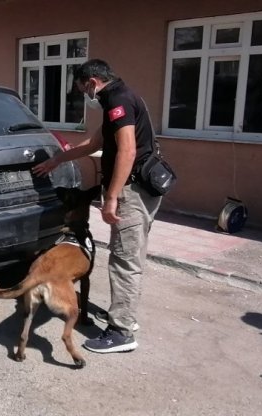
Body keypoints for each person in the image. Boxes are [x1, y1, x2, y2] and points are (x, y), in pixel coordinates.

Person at [32, 59, 161, 353]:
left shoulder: (117, 99)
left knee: (124, 260)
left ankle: (121, 332)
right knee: (132, 256)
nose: (83, 96)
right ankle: (126, 315)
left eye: (81, 89)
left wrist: (112, 196)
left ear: (91, 81)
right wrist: (58, 159)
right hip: (144, 188)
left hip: (133, 191)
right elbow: (94, 144)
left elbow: (127, 150)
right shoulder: (122, 96)